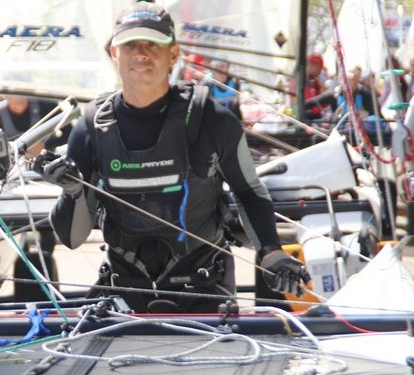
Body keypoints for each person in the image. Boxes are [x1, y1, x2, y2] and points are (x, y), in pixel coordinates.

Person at [40, 1, 309, 313]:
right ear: (114, 53)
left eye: (153, 44)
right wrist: (72, 193)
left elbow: (248, 191)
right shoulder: (90, 128)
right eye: (130, 45)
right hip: (124, 293)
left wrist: (271, 252)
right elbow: (72, 239)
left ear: (173, 54)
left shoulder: (213, 119)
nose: (141, 54)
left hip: (206, 292)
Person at [0, 95, 72, 154]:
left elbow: (69, 132)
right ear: (6, 96)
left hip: (45, 161)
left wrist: (45, 145)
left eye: (22, 94)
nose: (18, 99)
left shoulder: (46, 106)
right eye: (14, 95)